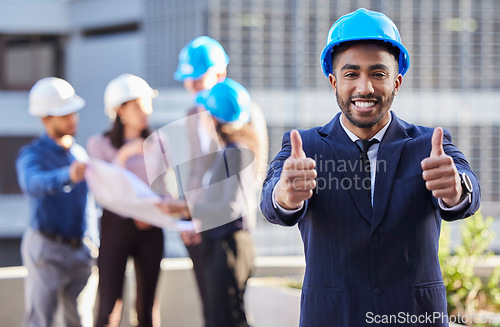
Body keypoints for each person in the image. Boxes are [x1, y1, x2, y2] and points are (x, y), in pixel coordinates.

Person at [260, 8, 480, 327]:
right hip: (334, 317)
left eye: (378, 73)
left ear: (397, 81)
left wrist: (456, 191)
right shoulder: (303, 148)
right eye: (351, 74)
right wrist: (285, 196)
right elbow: (270, 201)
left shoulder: (430, 143)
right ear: (334, 81)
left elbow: (468, 189)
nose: (365, 88)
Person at [173, 35, 268, 325]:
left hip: (227, 223)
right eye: (189, 81)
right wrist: (188, 215)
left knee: (229, 310)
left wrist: (211, 213)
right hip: (200, 223)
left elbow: (255, 168)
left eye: (199, 79)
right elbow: (194, 170)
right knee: (212, 309)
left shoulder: (244, 111)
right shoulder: (192, 113)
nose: (194, 87)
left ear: (220, 74)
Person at [158, 78, 257, 327]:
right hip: (222, 244)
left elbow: (230, 208)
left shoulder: (235, 152)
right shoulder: (228, 152)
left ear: (213, 118)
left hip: (229, 247)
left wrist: (185, 208)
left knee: (228, 320)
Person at [16, 77, 95, 327]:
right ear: (45, 119)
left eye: (73, 112)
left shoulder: (79, 153)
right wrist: (66, 175)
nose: (72, 119)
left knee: (79, 321)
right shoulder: (32, 154)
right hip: (47, 250)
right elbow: (32, 183)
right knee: (41, 320)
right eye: (64, 115)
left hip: (81, 252)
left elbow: (90, 205)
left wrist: (95, 242)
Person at [87, 74, 164, 327]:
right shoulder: (99, 145)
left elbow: (166, 190)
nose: (146, 112)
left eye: (147, 105)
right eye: (138, 106)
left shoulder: (159, 144)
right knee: (108, 309)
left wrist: (150, 213)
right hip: (115, 228)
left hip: (151, 228)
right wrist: (124, 154)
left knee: (147, 310)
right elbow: (104, 190)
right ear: (121, 111)